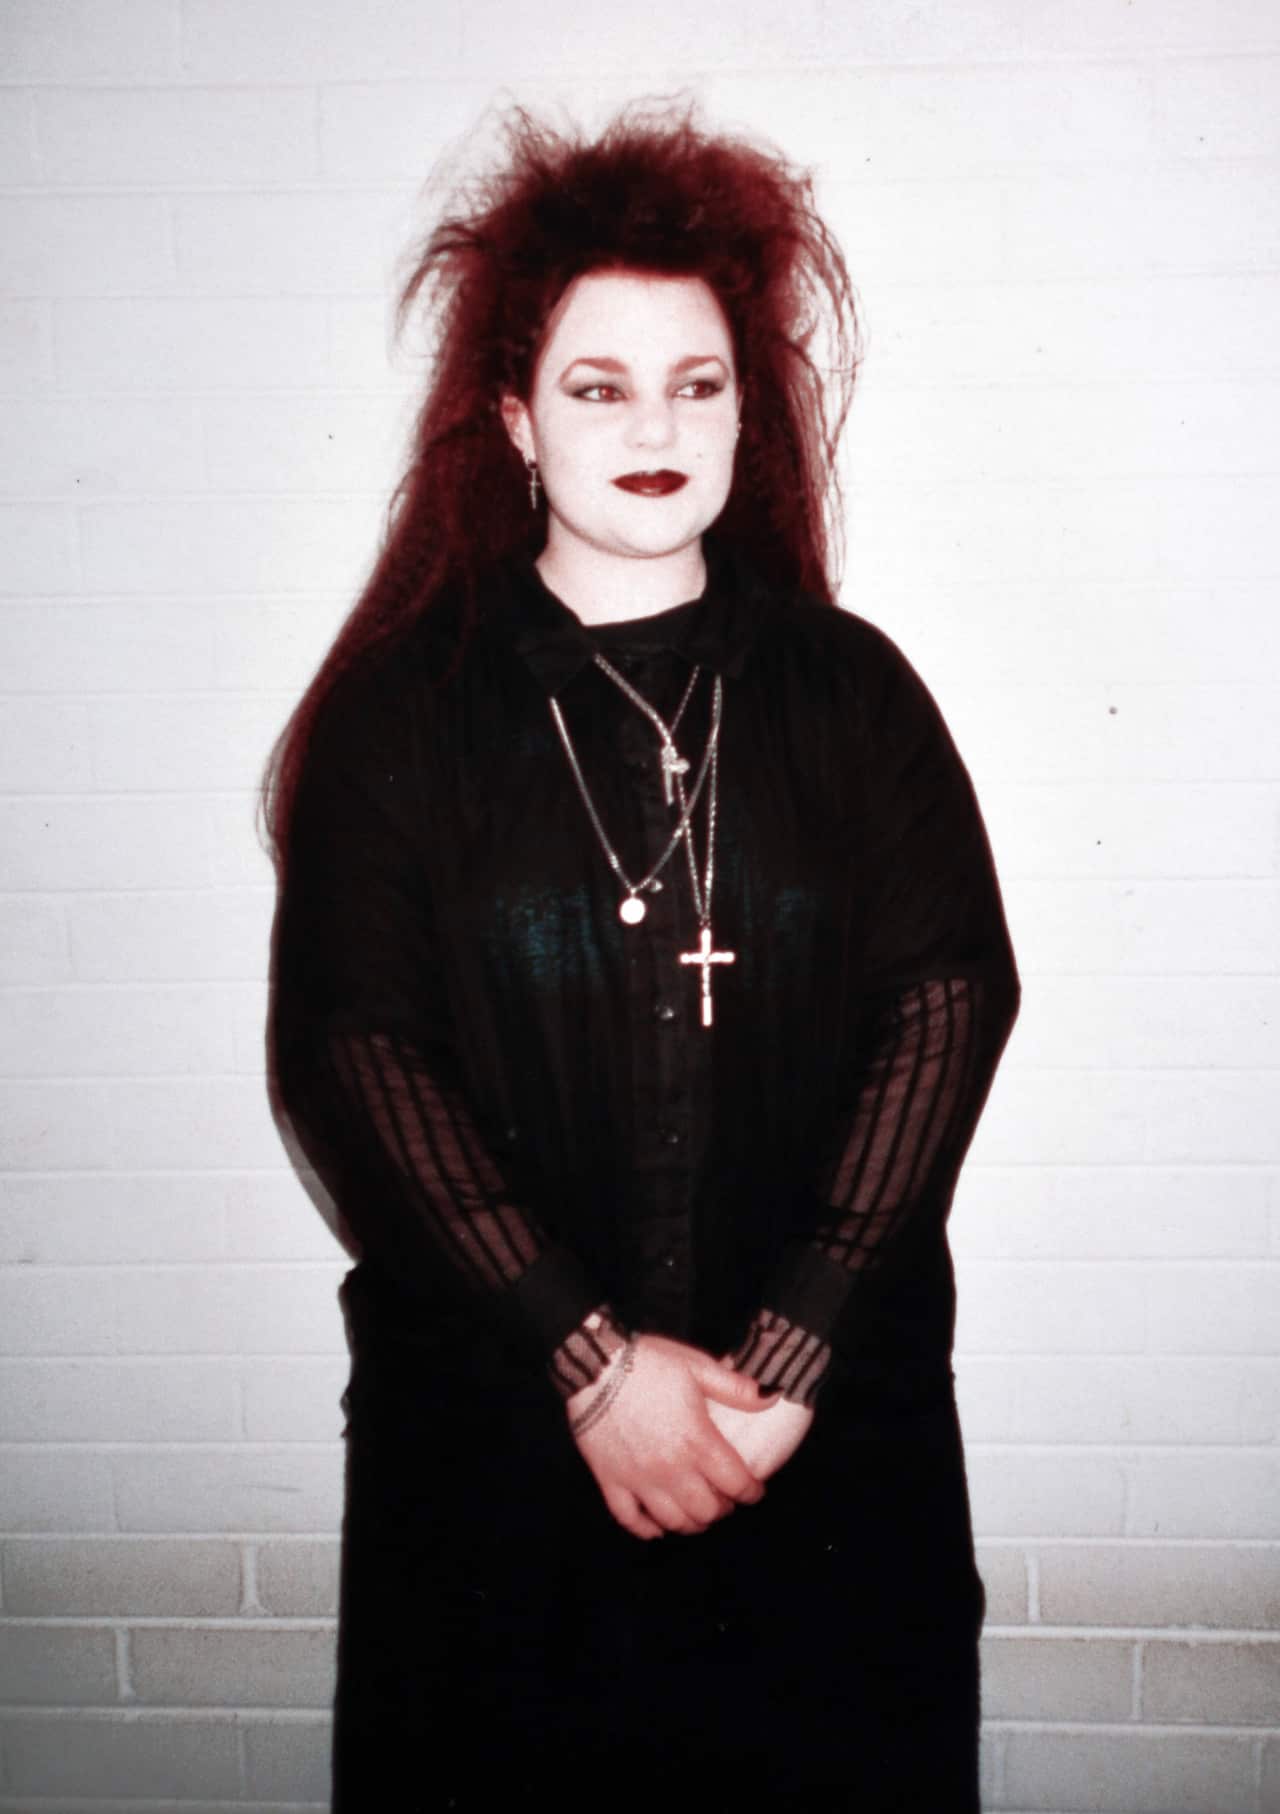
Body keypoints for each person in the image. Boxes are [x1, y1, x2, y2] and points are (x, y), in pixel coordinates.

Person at [263, 96, 1019, 1813]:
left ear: (752, 411)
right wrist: (592, 1364)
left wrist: (793, 1356)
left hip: (822, 1468)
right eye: (600, 386)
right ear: (517, 419)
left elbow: (949, 1000)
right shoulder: (406, 715)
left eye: (701, 382)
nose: (656, 425)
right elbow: (356, 1053)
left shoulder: (851, 689)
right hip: (503, 1471)